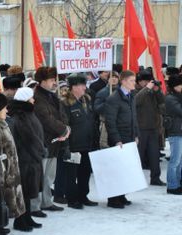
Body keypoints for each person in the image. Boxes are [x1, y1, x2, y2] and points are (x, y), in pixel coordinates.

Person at [0, 93, 25, 235]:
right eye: (4, 108)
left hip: (10, 168)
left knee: (5, 198)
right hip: (3, 169)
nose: (7, 111)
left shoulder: (1, 123)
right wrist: (3, 170)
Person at [32, 67, 70, 214]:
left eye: (55, 79)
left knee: (49, 176)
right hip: (43, 141)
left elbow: (61, 114)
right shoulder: (37, 97)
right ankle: (35, 206)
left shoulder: (52, 96)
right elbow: (46, 119)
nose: (54, 82)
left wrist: (66, 128)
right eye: (51, 80)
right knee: (39, 176)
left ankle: (46, 202)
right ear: (42, 81)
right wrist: (64, 129)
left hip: (54, 141)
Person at [8, 87, 45, 231]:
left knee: (28, 191)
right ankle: (20, 220)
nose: (34, 100)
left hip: (31, 157)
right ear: (25, 99)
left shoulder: (27, 112)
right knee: (23, 191)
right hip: (25, 158)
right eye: (31, 97)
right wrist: (39, 151)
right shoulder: (21, 115)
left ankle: (27, 217)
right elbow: (29, 138)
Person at [62, 74, 98, 209]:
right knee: (72, 174)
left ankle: (83, 196)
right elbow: (65, 125)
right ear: (74, 87)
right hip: (73, 145)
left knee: (85, 172)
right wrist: (66, 146)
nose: (85, 87)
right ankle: (72, 199)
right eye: (82, 85)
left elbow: (91, 120)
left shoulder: (86, 100)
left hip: (87, 143)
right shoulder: (65, 103)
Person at [104, 70, 138, 208]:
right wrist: (117, 139)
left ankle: (121, 195)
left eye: (134, 80)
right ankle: (113, 199)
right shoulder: (114, 98)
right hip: (119, 139)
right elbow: (110, 122)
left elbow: (134, 118)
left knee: (125, 170)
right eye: (131, 80)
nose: (134, 83)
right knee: (116, 170)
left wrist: (136, 135)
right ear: (123, 81)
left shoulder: (131, 96)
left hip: (129, 137)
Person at [135, 70, 166, 186]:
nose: (147, 83)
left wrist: (157, 91)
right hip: (140, 129)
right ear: (140, 81)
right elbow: (136, 101)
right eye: (145, 81)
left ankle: (155, 178)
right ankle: (135, 179)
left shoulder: (153, 91)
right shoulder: (134, 90)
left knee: (154, 155)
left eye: (149, 81)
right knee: (139, 156)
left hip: (153, 128)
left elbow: (162, 102)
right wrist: (147, 89)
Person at [164, 74, 182, 194]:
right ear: (174, 86)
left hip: (180, 131)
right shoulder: (170, 98)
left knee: (180, 161)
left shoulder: (178, 96)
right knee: (175, 160)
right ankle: (172, 185)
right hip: (175, 132)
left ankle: (178, 182)